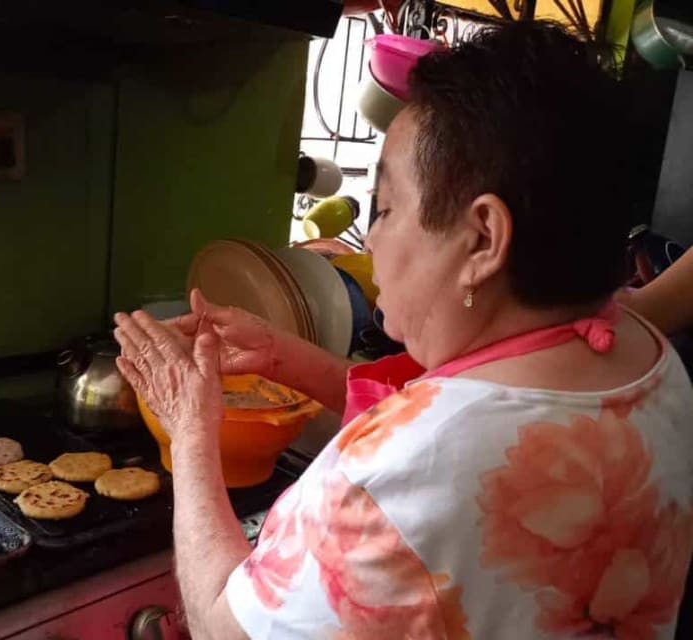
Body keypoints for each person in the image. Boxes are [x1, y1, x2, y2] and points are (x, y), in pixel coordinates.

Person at [114, 21, 693, 640]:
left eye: (386, 209)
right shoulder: (643, 355)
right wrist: (285, 357)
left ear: (483, 238)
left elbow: (221, 628)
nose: (372, 238)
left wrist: (190, 432)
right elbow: (452, 424)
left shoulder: (387, 490)